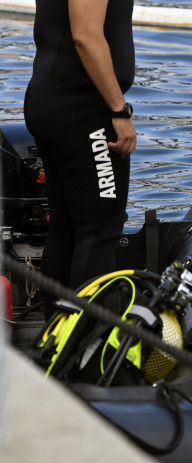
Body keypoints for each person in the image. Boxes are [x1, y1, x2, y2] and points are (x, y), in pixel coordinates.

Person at [23, 0, 136, 315]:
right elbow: (85, 35)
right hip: (82, 109)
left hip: (52, 97)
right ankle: (87, 349)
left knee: (67, 228)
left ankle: (56, 342)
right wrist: (119, 110)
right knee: (99, 231)